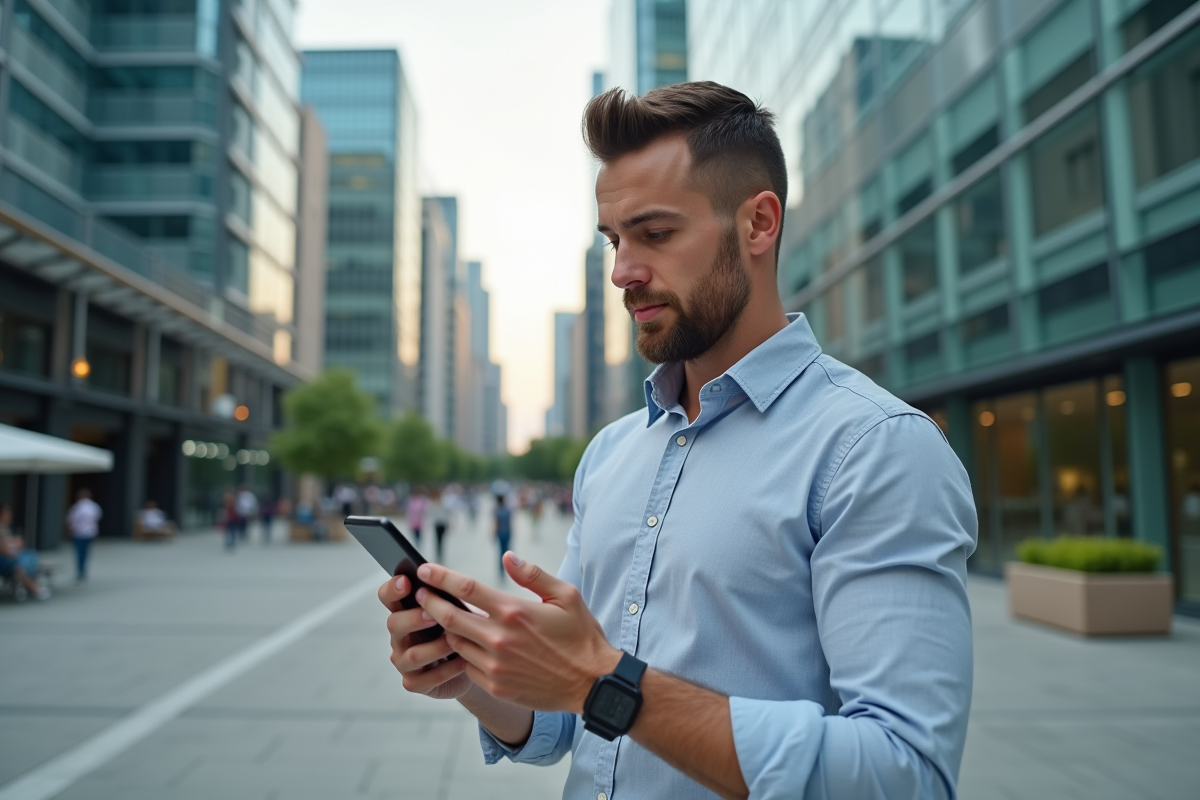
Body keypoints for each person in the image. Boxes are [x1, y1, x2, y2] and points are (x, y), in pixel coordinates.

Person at [378, 82, 977, 800]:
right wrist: (474, 676)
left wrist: (603, 681)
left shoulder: (875, 450)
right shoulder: (610, 455)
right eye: (613, 239)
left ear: (758, 224)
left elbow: (904, 774)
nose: (622, 271)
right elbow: (570, 723)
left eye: (655, 234)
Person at [0, 503, 50, 600]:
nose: (10, 516)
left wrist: (15, 544)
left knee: (31, 555)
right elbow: (4, 550)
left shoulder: (5, 528)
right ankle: (34, 588)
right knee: (19, 565)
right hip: (4, 559)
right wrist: (14, 545)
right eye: (7, 514)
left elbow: (15, 545)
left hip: (10, 557)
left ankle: (32, 585)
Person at [65, 488, 102, 581]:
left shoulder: (77, 507)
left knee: (79, 553)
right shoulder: (94, 506)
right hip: (90, 532)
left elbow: (71, 520)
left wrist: (69, 529)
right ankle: (83, 570)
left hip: (79, 532)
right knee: (86, 552)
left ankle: (80, 571)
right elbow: (97, 517)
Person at [491, 493, 512, 581]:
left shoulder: (497, 510)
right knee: (506, 551)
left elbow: (496, 523)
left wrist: (493, 533)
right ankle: (506, 569)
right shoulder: (508, 510)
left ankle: (501, 570)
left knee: (501, 552)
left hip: (500, 533)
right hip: (507, 532)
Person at [429, 488, 449, 564]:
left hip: (442, 524)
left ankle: (441, 555)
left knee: (441, 540)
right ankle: (438, 555)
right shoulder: (433, 503)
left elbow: (446, 514)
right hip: (437, 524)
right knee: (437, 540)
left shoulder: (443, 503)